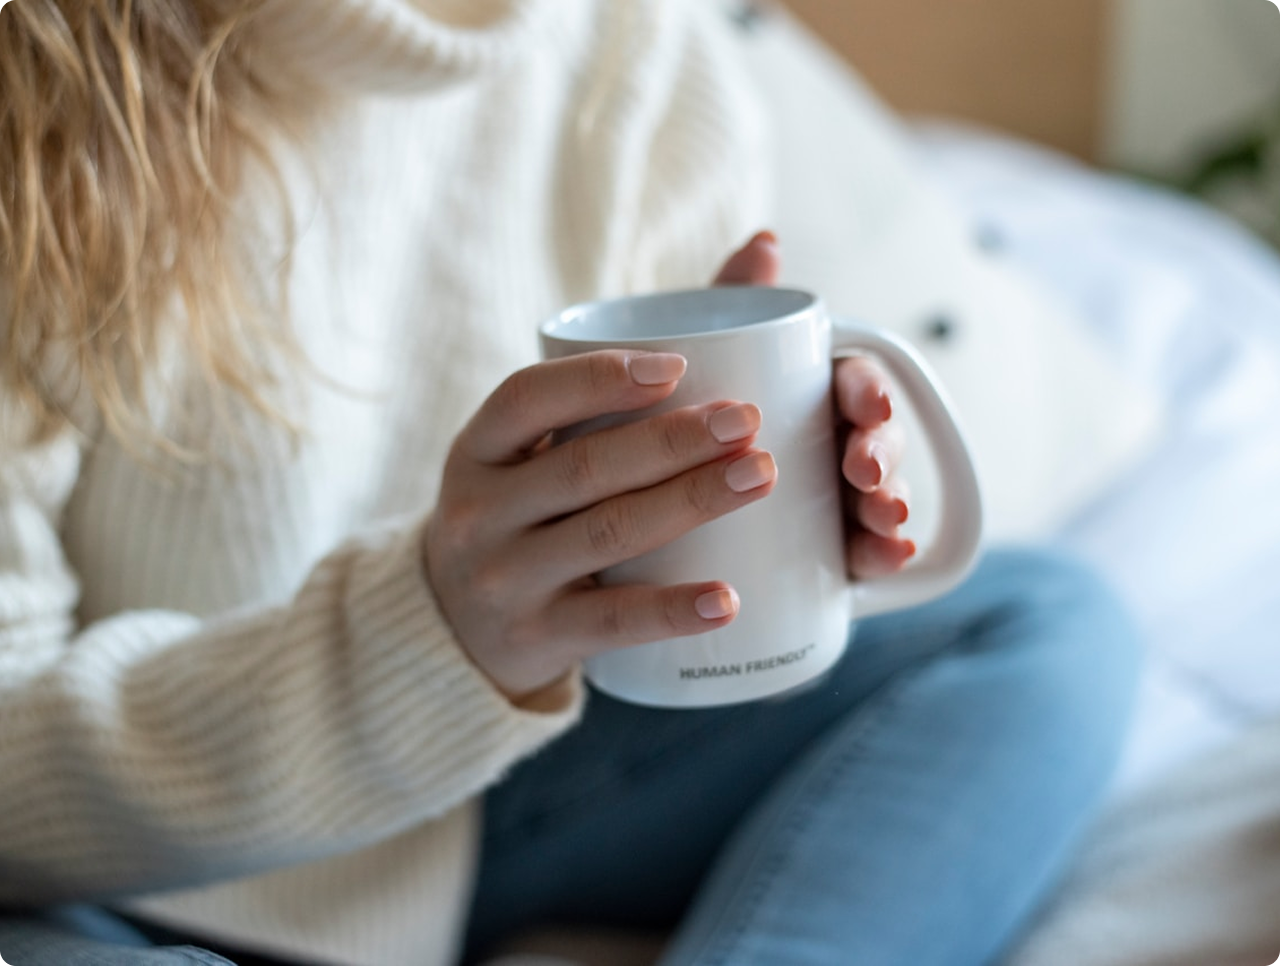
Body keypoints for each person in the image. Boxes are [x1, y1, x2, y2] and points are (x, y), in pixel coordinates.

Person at [0, 1, 1139, 964]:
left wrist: (774, 520)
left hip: (499, 793)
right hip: (119, 857)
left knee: (1046, 624)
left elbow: (665, 593)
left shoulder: (642, 51)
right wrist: (429, 634)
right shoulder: (41, 84)